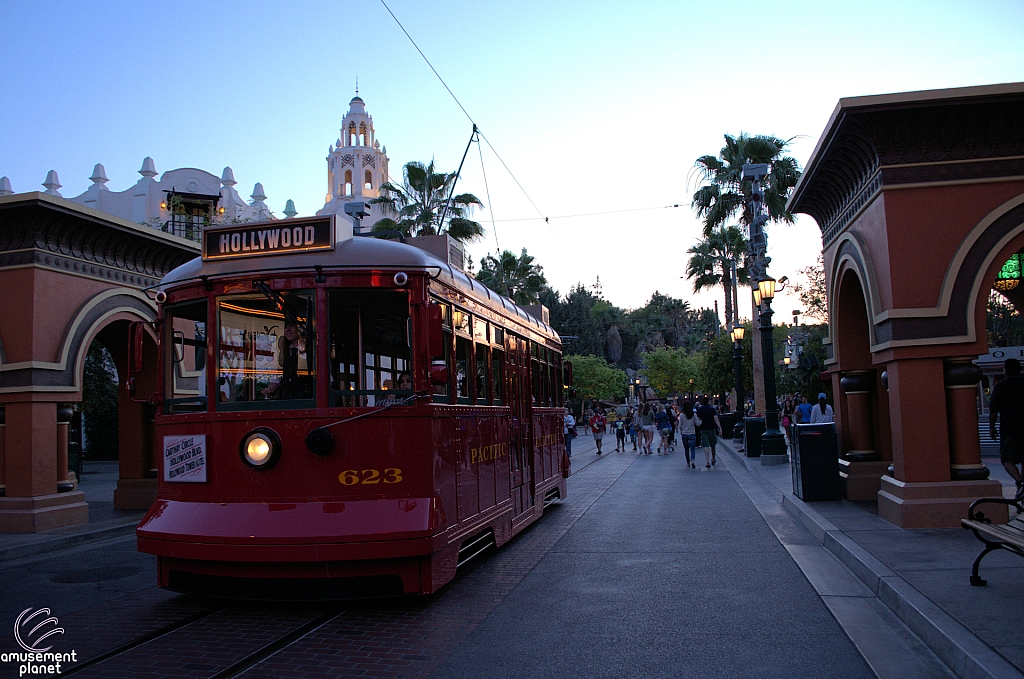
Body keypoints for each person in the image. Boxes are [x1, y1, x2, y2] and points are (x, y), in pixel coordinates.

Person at [990, 358, 1024, 501]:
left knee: (1006, 459)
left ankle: (1020, 482)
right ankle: (1021, 489)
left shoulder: (1001, 387)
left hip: (1009, 428)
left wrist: (991, 427)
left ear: (1006, 370)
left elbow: (993, 410)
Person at [261, 322, 311, 399]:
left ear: (300, 329)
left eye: (291, 326)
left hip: (307, 402)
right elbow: (276, 380)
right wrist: (269, 390)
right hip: (287, 401)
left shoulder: (311, 352)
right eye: (285, 327)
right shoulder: (280, 354)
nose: (288, 330)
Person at [695, 396, 722, 468]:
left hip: (703, 429)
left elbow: (698, 420)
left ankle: (707, 461)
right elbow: (716, 419)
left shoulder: (700, 409)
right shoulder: (712, 409)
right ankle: (713, 458)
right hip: (712, 428)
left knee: (705, 444)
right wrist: (720, 428)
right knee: (713, 445)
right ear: (708, 401)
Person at [678, 401, 698, 468]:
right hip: (692, 433)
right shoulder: (693, 415)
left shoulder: (681, 415)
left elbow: (680, 425)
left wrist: (681, 431)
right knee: (692, 448)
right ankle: (693, 459)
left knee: (686, 449)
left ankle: (688, 461)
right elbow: (697, 424)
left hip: (684, 433)